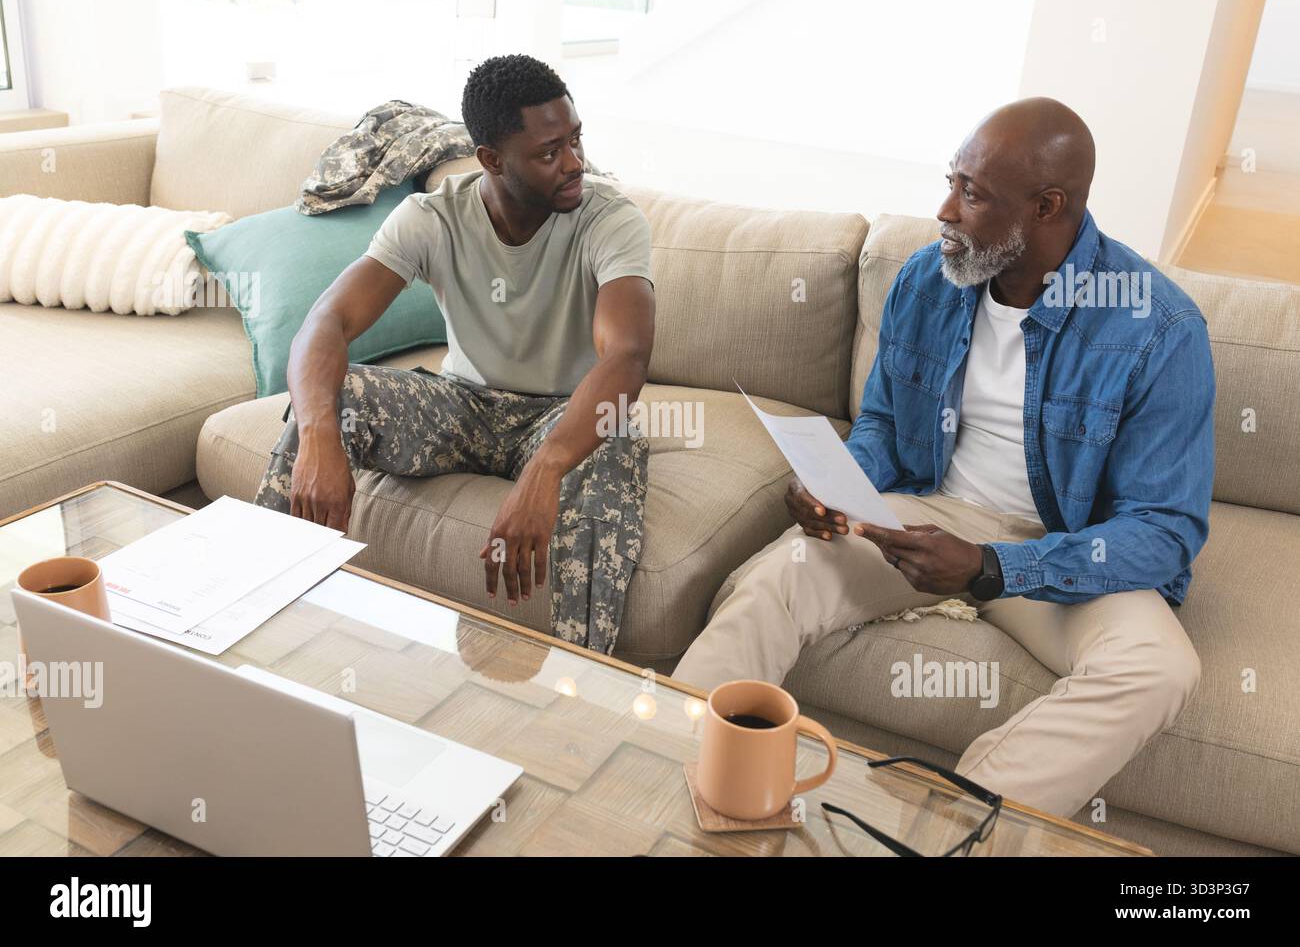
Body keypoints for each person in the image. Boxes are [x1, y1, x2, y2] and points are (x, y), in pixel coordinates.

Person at [672, 97, 1214, 818]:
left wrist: (993, 568)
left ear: (1048, 207)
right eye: (951, 181)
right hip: (924, 515)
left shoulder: (1159, 327)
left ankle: (949, 827)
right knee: (780, 575)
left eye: (972, 193)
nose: (946, 210)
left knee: (1161, 666)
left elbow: (1165, 528)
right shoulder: (930, 280)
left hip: (1068, 551)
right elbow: (887, 427)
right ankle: (682, 779)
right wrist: (835, 482)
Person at [254, 54, 656, 655]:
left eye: (574, 140)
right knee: (338, 397)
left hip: (561, 415)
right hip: (463, 406)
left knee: (615, 434)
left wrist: (544, 471)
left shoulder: (609, 220)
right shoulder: (433, 217)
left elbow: (626, 357)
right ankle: (260, 620)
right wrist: (317, 435)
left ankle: (582, 686)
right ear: (492, 159)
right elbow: (327, 323)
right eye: (549, 152)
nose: (573, 163)